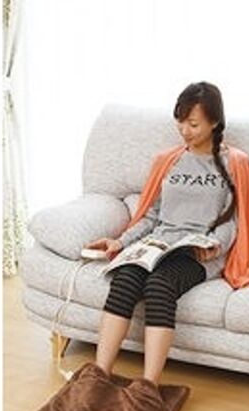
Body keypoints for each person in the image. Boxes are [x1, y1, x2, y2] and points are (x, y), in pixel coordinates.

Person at [84, 81, 240, 387]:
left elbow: (236, 220)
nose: (184, 130)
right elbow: (151, 215)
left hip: (197, 252)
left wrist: (215, 245)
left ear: (214, 122)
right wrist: (120, 242)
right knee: (125, 279)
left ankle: (147, 386)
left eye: (193, 123)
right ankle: (99, 375)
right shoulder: (169, 161)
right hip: (157, 243)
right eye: (180, 121)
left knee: (160, 285)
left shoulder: (234, 163)